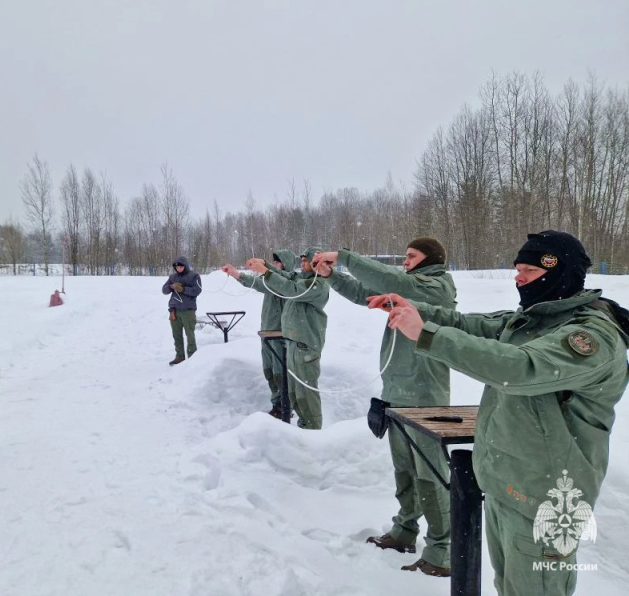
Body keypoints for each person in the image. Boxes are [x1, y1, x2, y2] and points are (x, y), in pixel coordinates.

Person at [367, 230, 629, 596]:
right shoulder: (535, 320)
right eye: (517, 269)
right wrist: (413, 309)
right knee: (508, 586)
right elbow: (470, 324)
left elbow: (518, 367)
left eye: (530, 270)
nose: (519, 278)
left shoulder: (590, 335)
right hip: (510, 484)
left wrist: (426, 335)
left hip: (549, 499)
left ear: (560, 274)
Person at [313, 238, 457, 577]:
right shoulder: (409, 287)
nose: (405, 261)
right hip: (397, 392)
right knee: (404, 471)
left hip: (425, 397)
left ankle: (442, 550)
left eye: (411, 256)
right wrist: (332, 276)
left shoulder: (435, 287)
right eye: (405, 256)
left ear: (430, 259)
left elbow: (390, 280)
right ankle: (405, 531)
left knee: (430, 476)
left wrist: (343, 256)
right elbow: (366, 292)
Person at [246, 247, 329, 429]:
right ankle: (304, 429)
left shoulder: (317, 284)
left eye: (307, 261)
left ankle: (313, 433)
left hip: (306, 346)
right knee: (295, 394)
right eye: (302, 260)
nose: (302, 264)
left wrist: (266, 272)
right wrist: (265, 265)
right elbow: (287, 277)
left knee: (306, 394)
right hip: (294, 344)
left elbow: (290, 288)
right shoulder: (301, 279)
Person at [222, 249, 298, 418]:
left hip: (281, 336)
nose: (275, 264)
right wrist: (235, 274)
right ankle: (277, 405)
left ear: (286, 264)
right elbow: (256, 283)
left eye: (278, 262)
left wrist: (264, 268)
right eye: (274, 261)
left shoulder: (290, 283)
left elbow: (271, 283)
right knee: (269, 371)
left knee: (281, 374)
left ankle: (286, 407)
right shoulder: (270, 281)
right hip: (267, 333)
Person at [162, 256, 202, 366]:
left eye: (180, 266)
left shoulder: (194, 276)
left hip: (188, 310)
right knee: (177, 335)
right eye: (176, 267)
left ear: (185, 266)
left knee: (190, 335)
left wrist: (183, 289)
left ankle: (192, 357)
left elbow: (197, 290)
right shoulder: (172, 277)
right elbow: (164, 290)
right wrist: (171, 287)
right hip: (174, 310)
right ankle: (179, 356)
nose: (178, 268)